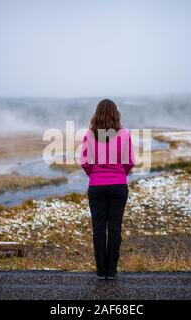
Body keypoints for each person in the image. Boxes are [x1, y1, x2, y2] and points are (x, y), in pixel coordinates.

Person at [80, 99, 135, 280]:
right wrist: (120, 174)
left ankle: (100, 271)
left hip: (96, 186)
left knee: (98, 229)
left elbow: (85, 162)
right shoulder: (125, 134)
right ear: (115, 113)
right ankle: (111, 271)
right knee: (115, 228)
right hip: (119, 186)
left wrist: (95, 175)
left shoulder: (89, 135)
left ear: (97, 114)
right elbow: (130, 162)